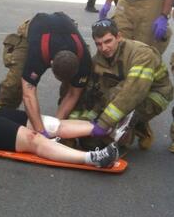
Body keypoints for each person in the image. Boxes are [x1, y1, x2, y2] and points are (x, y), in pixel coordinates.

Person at [72, 18, 173, 150]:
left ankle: (137, 126)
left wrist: (104, 123)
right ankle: (134, 124)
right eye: (99, 44)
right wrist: (81, 120)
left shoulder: (142, 54)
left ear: (118, 37)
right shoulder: (99, 60)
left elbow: (133, 93)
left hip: (154, 93)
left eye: (108, 41)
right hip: (122, 90)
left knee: (114, 139)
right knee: (90, 143)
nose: (104, 48)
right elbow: (94, 93)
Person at [0, 11, 92, 132]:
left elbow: (73, 94)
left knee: (74, 89)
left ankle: (62, 122)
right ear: (51, 63)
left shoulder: (84, 59)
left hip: (66, 28)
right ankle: (1, 114)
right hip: (35, 28)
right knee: (15, 83)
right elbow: (28, 94)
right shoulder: (37, 55)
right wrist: (41, 132)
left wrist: (54, 127)